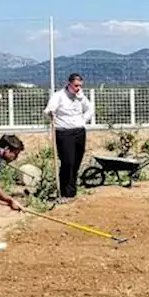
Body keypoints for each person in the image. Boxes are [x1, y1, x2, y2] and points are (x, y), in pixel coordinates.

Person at [44, 73, 91, 204]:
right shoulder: (58, 96)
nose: (78, 88)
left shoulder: (81, 97)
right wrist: (50, 113)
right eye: (76, 85)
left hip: (79, 132)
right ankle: (64, 192)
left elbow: (89, 109)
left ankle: (72, 191)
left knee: (76, 162)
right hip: (64, 133)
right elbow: (48, 110)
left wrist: (83, 120)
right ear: (69, 84)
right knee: (67, 162)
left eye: (80, 86)